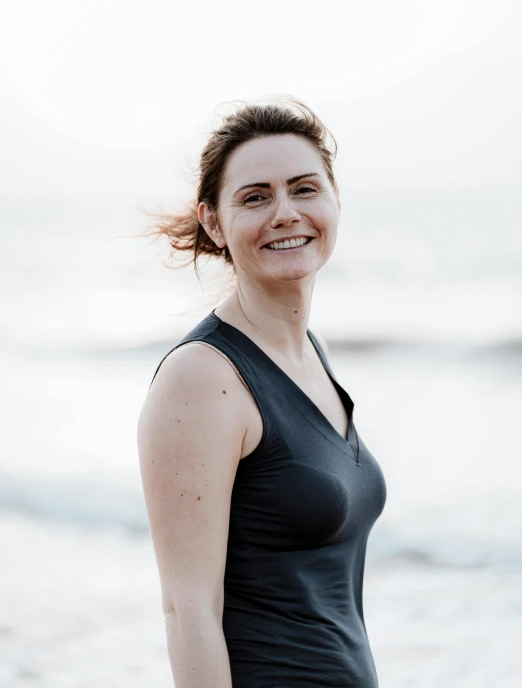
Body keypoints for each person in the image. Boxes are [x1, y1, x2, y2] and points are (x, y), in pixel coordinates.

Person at [137, 97, 387, 688]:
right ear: (213, 222)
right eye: (255, 197)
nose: (285, 214)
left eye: (304, 189)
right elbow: (188, 611)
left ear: (333, 201)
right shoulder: (202, 378)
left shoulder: (308, 354)